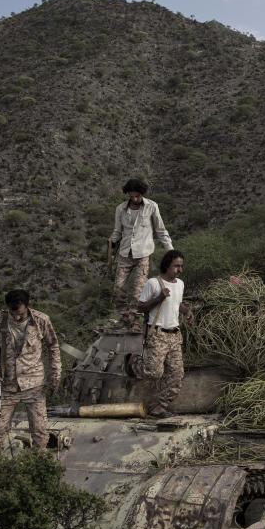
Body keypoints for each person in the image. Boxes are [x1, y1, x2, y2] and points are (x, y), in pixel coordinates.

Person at [0, 289, 61, 449]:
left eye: (18, 310)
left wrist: (55, 374)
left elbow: (53, 346)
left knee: (40, 431)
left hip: (34, 385)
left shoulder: (41, 320)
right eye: (12, 311)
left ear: (26, 305)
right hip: (6, 385)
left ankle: (41, 466)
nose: (16, 315)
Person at [110, 178, 173, 329]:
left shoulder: (151, 207)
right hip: (125, 254)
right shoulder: (120, 209)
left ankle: (134, 319)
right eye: (132, 196)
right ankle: (123, 316)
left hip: (143, 254)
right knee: (118, 288)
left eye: (137, 196)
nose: (135, 199)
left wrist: (170, 250)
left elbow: (160, 230)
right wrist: (111, 242)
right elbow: (117, 231)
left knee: (138, 290)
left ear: (142, 194)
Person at [137, 250, 193, 418]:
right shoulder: (154, 283)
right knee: (154, 373)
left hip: (175, 335)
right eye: (176, 266)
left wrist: (187, 311)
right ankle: (134, 364)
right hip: (158, 334)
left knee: (176, 374)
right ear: (167, 265)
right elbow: (140, 307)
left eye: (181, 266)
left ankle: (159, 406)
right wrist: (159, 298)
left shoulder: (180, 284)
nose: (180, 270)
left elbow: (177, 304)